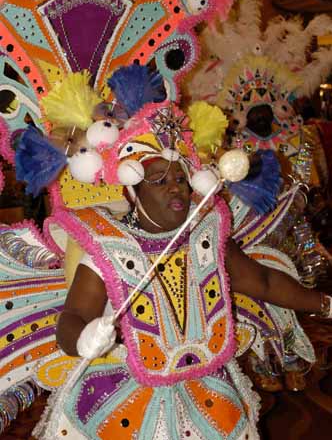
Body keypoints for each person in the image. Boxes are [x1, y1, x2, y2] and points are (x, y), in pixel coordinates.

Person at [28, 95, 331, 440]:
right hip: (127, 397)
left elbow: (262, 281)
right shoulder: (107, 248)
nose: (175, 186)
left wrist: (325, 303)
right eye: (158, 179)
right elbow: (71, 318)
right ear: (132, 192)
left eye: (181, 178)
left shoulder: (206, 235)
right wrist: (84, 339)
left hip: (208, 392)